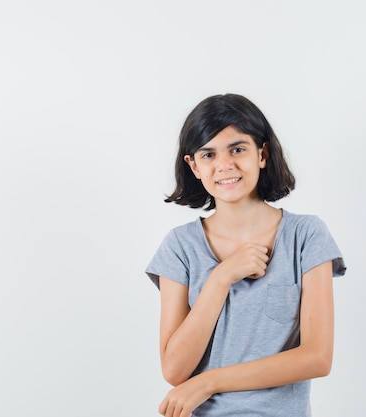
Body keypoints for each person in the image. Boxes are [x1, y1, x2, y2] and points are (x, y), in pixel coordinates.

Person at [145, 93, 346, 417]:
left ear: (262, 154)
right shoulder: (179, 247)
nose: (225, 165)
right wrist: (221, 277)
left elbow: (317, 357)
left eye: (237, 149)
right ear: (193, 166)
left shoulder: (306, 235)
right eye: (208, 154)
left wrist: (208, 382)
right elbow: (175, 370)